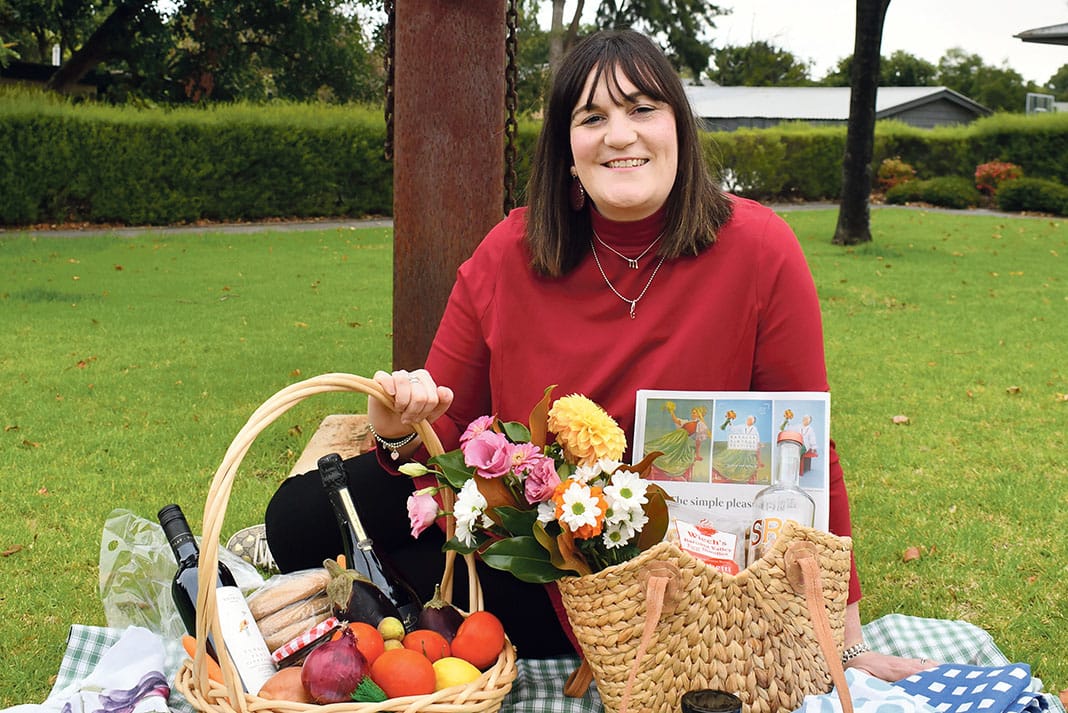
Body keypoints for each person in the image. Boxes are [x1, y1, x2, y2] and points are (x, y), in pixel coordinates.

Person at [265, 29, 931, 679]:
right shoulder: (508, 253)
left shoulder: (761, 249)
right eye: (593, 117)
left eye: (643, 109)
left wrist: (845, 645)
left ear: (679, 130)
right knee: (298, 515)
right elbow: (442, 436)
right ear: (568, 152)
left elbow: (809, 452)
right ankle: (391, 621)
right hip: (531, 564)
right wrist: (393, 429)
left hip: (687, 578)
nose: (620, 134)